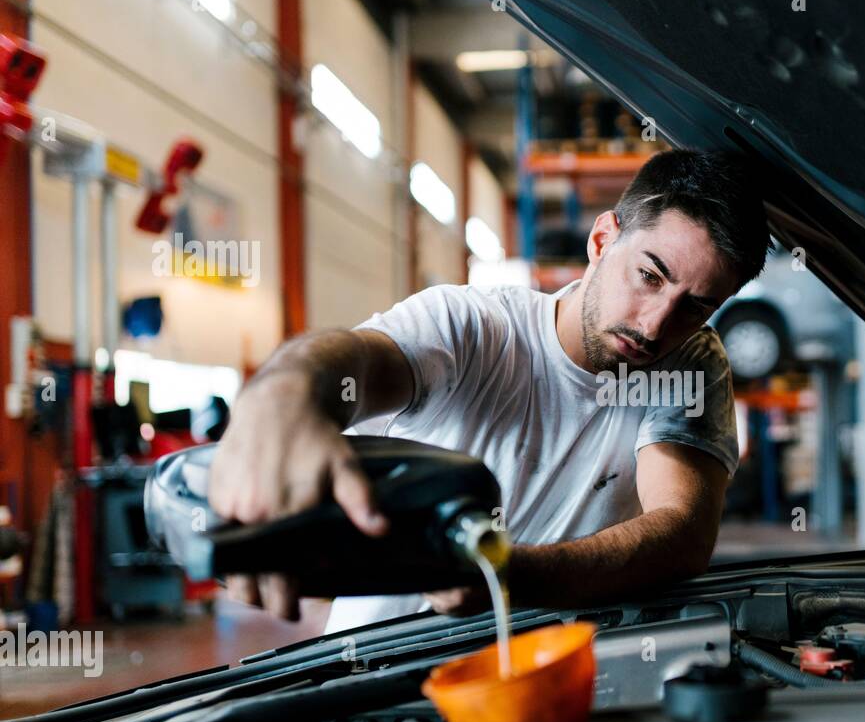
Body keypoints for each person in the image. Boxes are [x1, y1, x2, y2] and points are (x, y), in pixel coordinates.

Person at [207, 148, 770, 631]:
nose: (654, 326)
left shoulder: (690, 363)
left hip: (542, 690)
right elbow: (355, 363)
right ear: (602, 240)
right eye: (650, 276)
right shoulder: (471, 326)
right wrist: (284, 396)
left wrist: (505, 574)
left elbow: (682, 533)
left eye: (695, 307)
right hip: (372, 680)